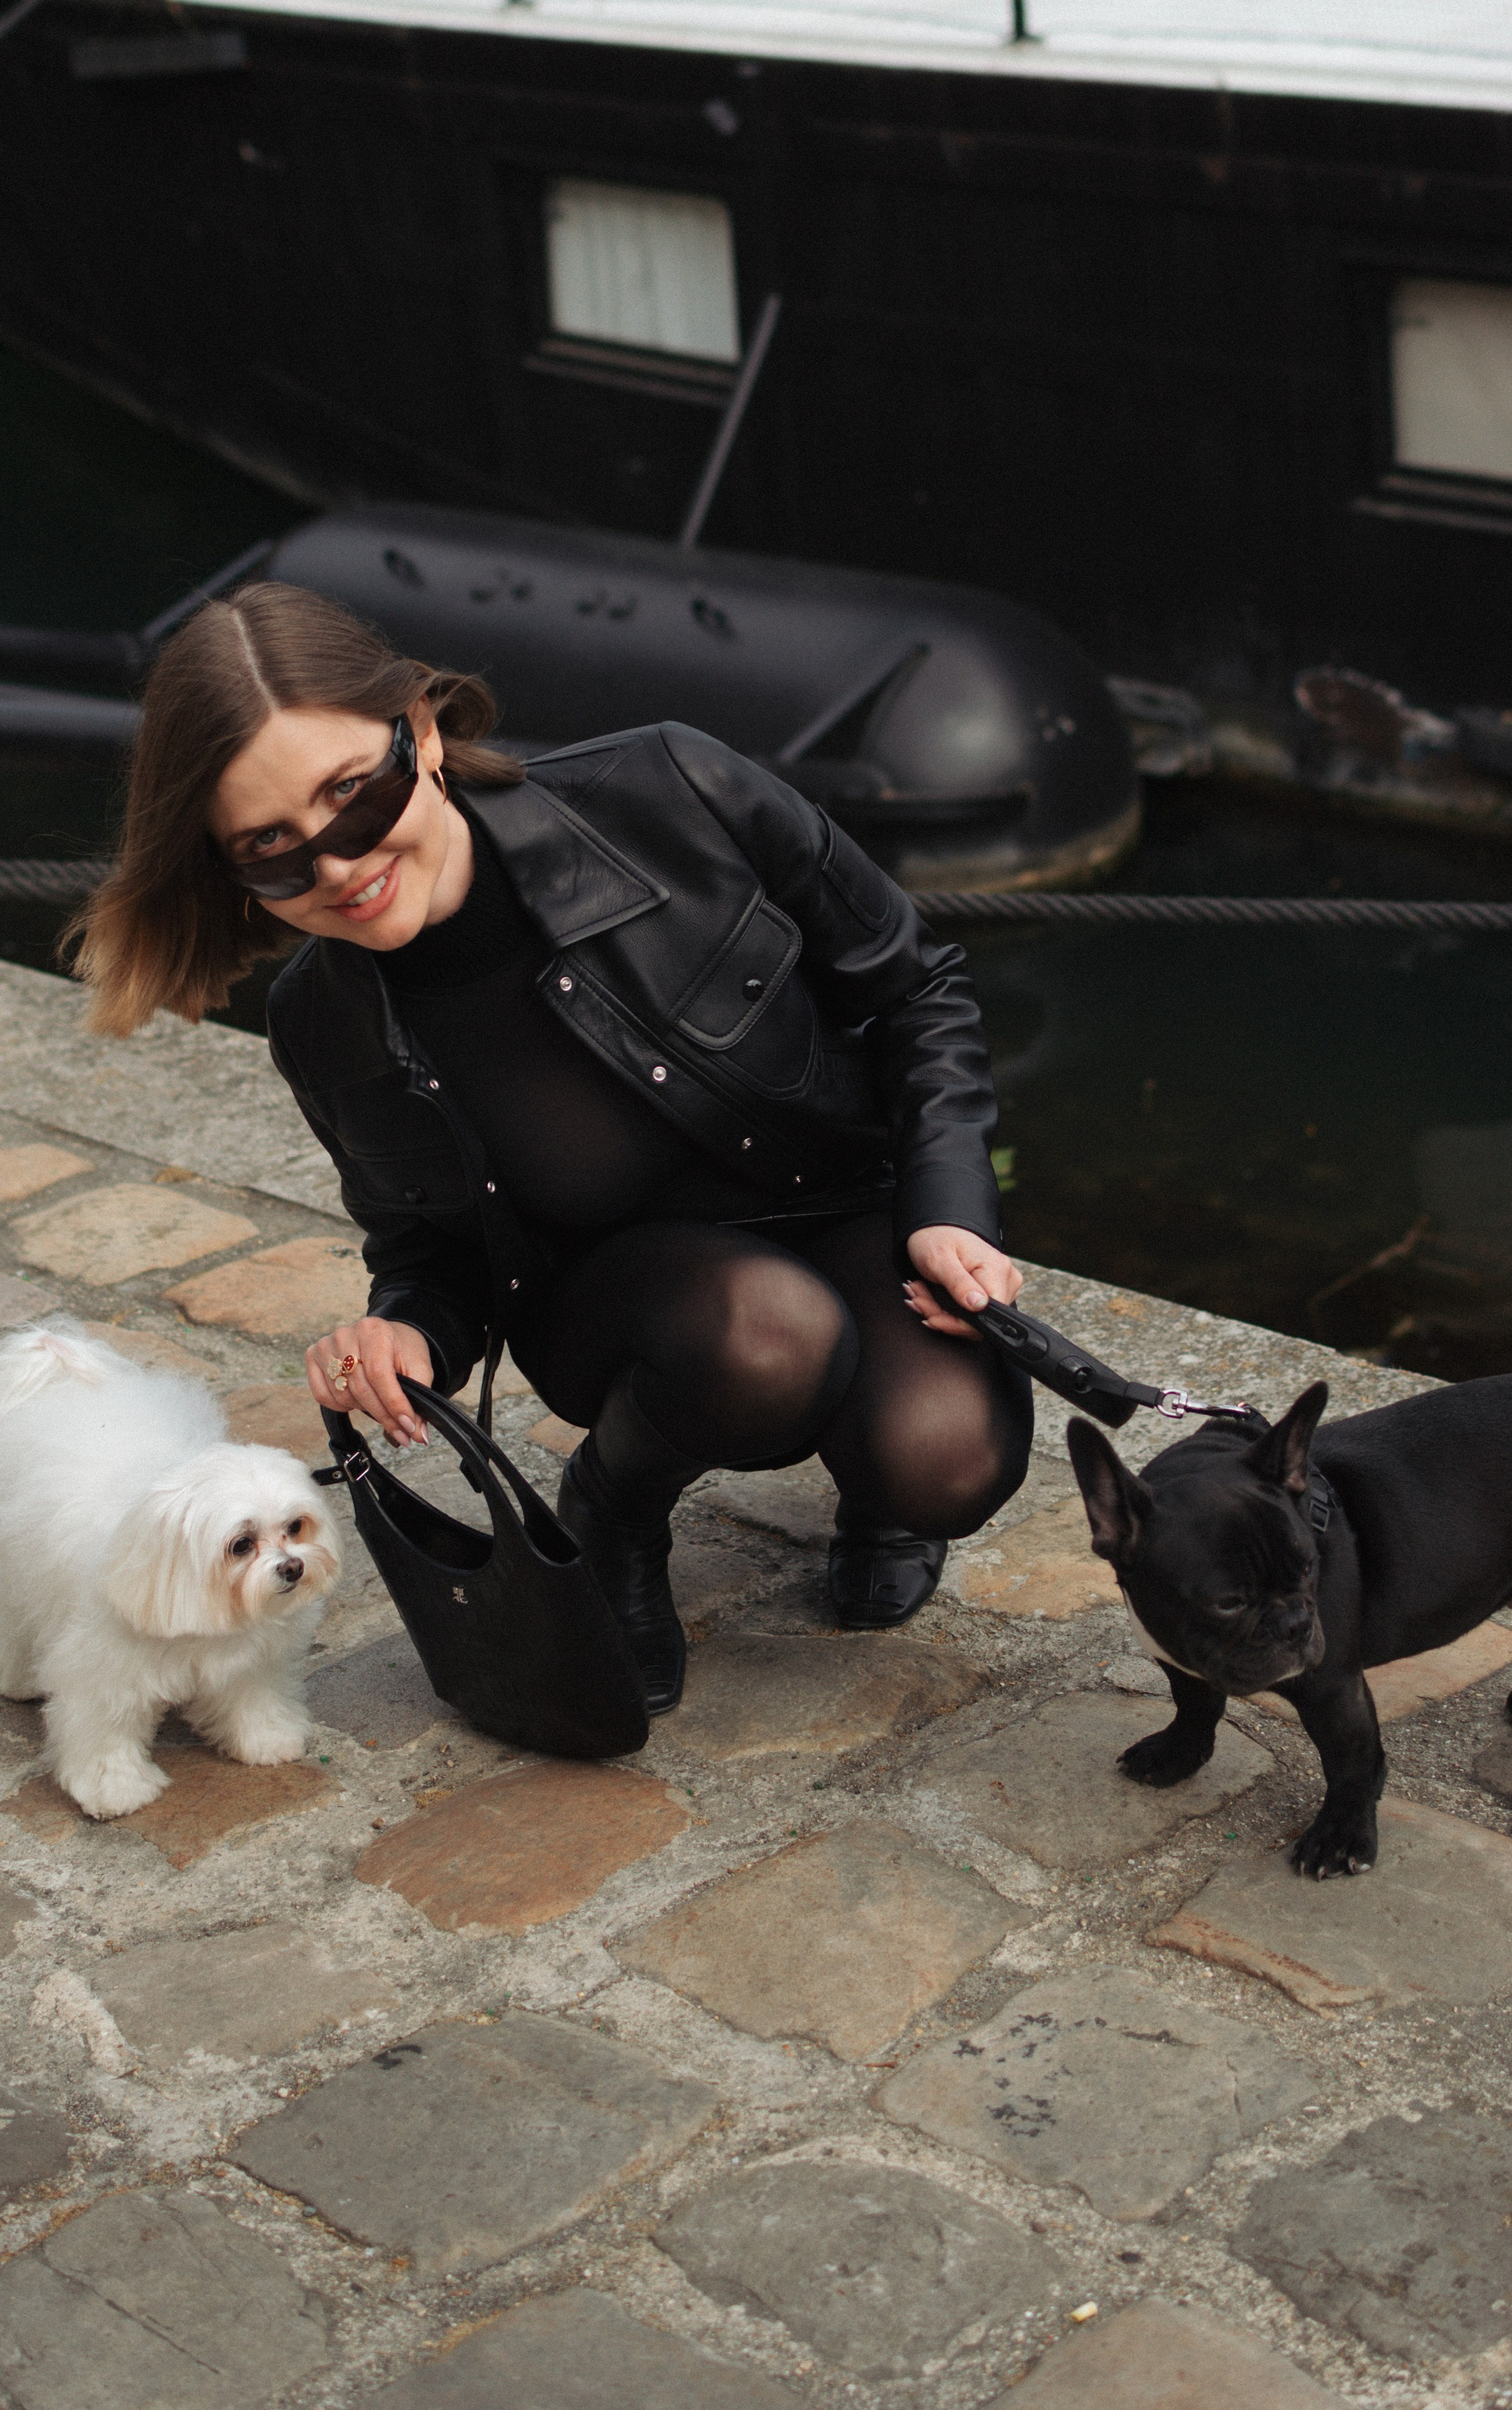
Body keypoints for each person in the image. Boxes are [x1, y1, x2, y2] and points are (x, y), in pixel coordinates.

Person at [71, 583, 1031, 1714]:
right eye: (272, 851)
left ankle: (872, 1481)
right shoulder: (322, 1021)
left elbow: (917, 987)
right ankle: (614, 1510)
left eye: (353, 795)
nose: (335, 868)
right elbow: (430, 1250)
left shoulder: (670, 783)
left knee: (945, 1461)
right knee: (770, 1334)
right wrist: (405, 1333)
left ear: (422, 732)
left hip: (839, 1203)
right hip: (618, 1303)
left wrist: (950, 1202)